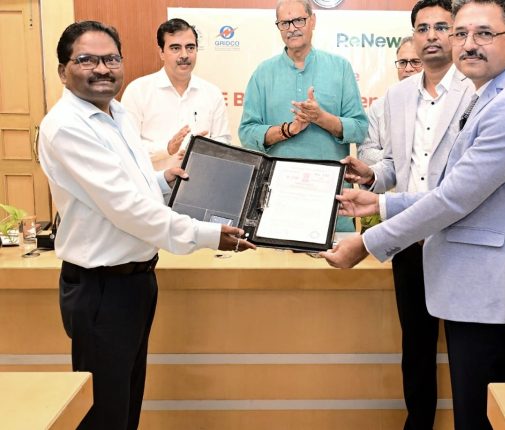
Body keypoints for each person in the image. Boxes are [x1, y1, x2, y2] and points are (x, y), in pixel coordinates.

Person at [321, 1, 505, 428]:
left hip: (487, 284)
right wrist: (380, 202)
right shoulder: (489, 94)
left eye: (484, 33)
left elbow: (453, 198)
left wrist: (369, 241)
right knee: (469, 406)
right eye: (462, 34)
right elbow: (450, 189)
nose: (468, 44)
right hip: (467, 274)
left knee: (478, 416)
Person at [38, 21, 253, 430]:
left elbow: (132, 187)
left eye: (111, 58)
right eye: (87, 60)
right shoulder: (67, 126)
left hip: (135, 281)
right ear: (63, 70)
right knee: (105, 415)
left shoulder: (116, 113)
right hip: (102, 289)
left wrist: (163, 180)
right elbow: (127, 208)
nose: (103, 68)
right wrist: (208, 235)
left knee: (125, 407)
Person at [344, 1, 474, 427]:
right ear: (414, 37)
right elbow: (395, 166)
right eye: (423, 28)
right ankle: (418, 422)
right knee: (415, 346)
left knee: (466, 350)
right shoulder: (396, 97)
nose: (431, 35)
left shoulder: (477, 89)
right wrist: (371, 174)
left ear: (456, 33)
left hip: (459, 240)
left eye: (441, 27)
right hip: (409, 239)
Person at [238, 0, 368, 232]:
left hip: (331, 199)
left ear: (312, 21)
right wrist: (288, 130)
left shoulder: (340, 68)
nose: (292, 28)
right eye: (284, 23)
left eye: (298, 20)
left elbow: (359, 128)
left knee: (334, 255)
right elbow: (247, 133)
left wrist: (321, 118)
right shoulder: (263, 73)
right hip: (278, 199)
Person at [121, 18, 231, 171]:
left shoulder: (212, 93)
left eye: (190, 47)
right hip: (153, 183)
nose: (184, 55)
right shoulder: (138, 91)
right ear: (161, 52)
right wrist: (167, 148)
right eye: (175, 48)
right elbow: (127, 148)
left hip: (199, 181)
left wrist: (204, 151)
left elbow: (224, 141)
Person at [356, 36, 423, 166]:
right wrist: (400, 157)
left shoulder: (440, 103)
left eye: (415, 62)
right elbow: (364, 153)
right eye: (402, 62)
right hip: (390, 178)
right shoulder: (379, 107)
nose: (408, 68)